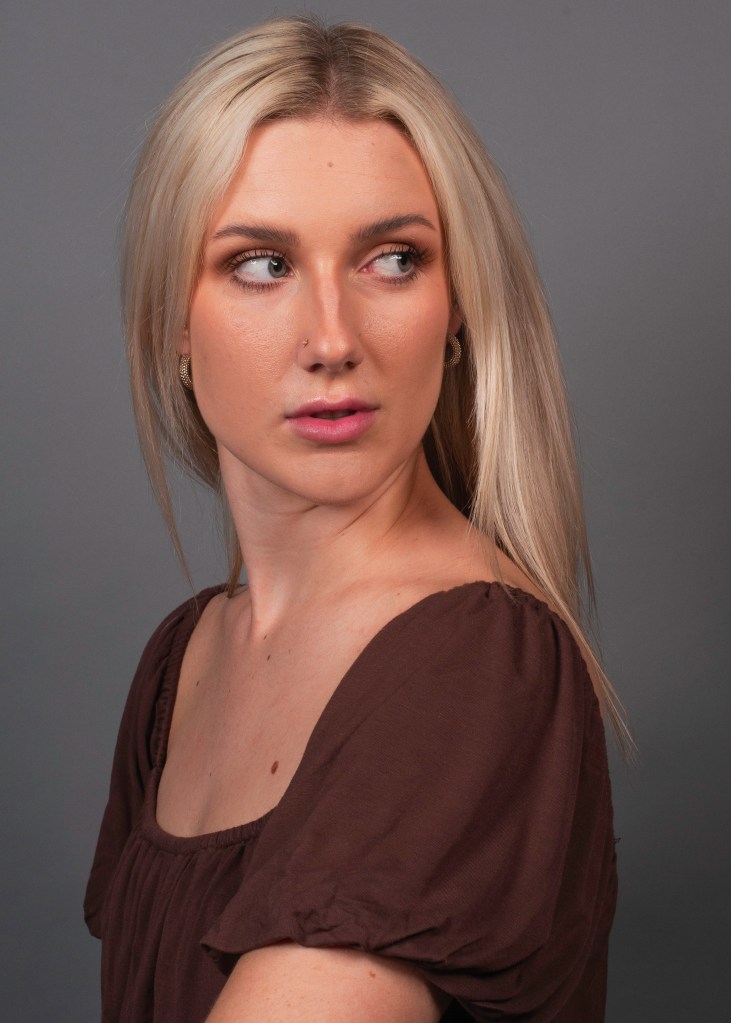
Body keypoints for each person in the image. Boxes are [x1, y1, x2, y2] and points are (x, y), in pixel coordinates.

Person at [84, 14, 625, 1023]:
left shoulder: (476, 661)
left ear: (456, 307)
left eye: (392, 259)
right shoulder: (182, 663)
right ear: (170, 324)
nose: (331, 340)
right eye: (261, 263)